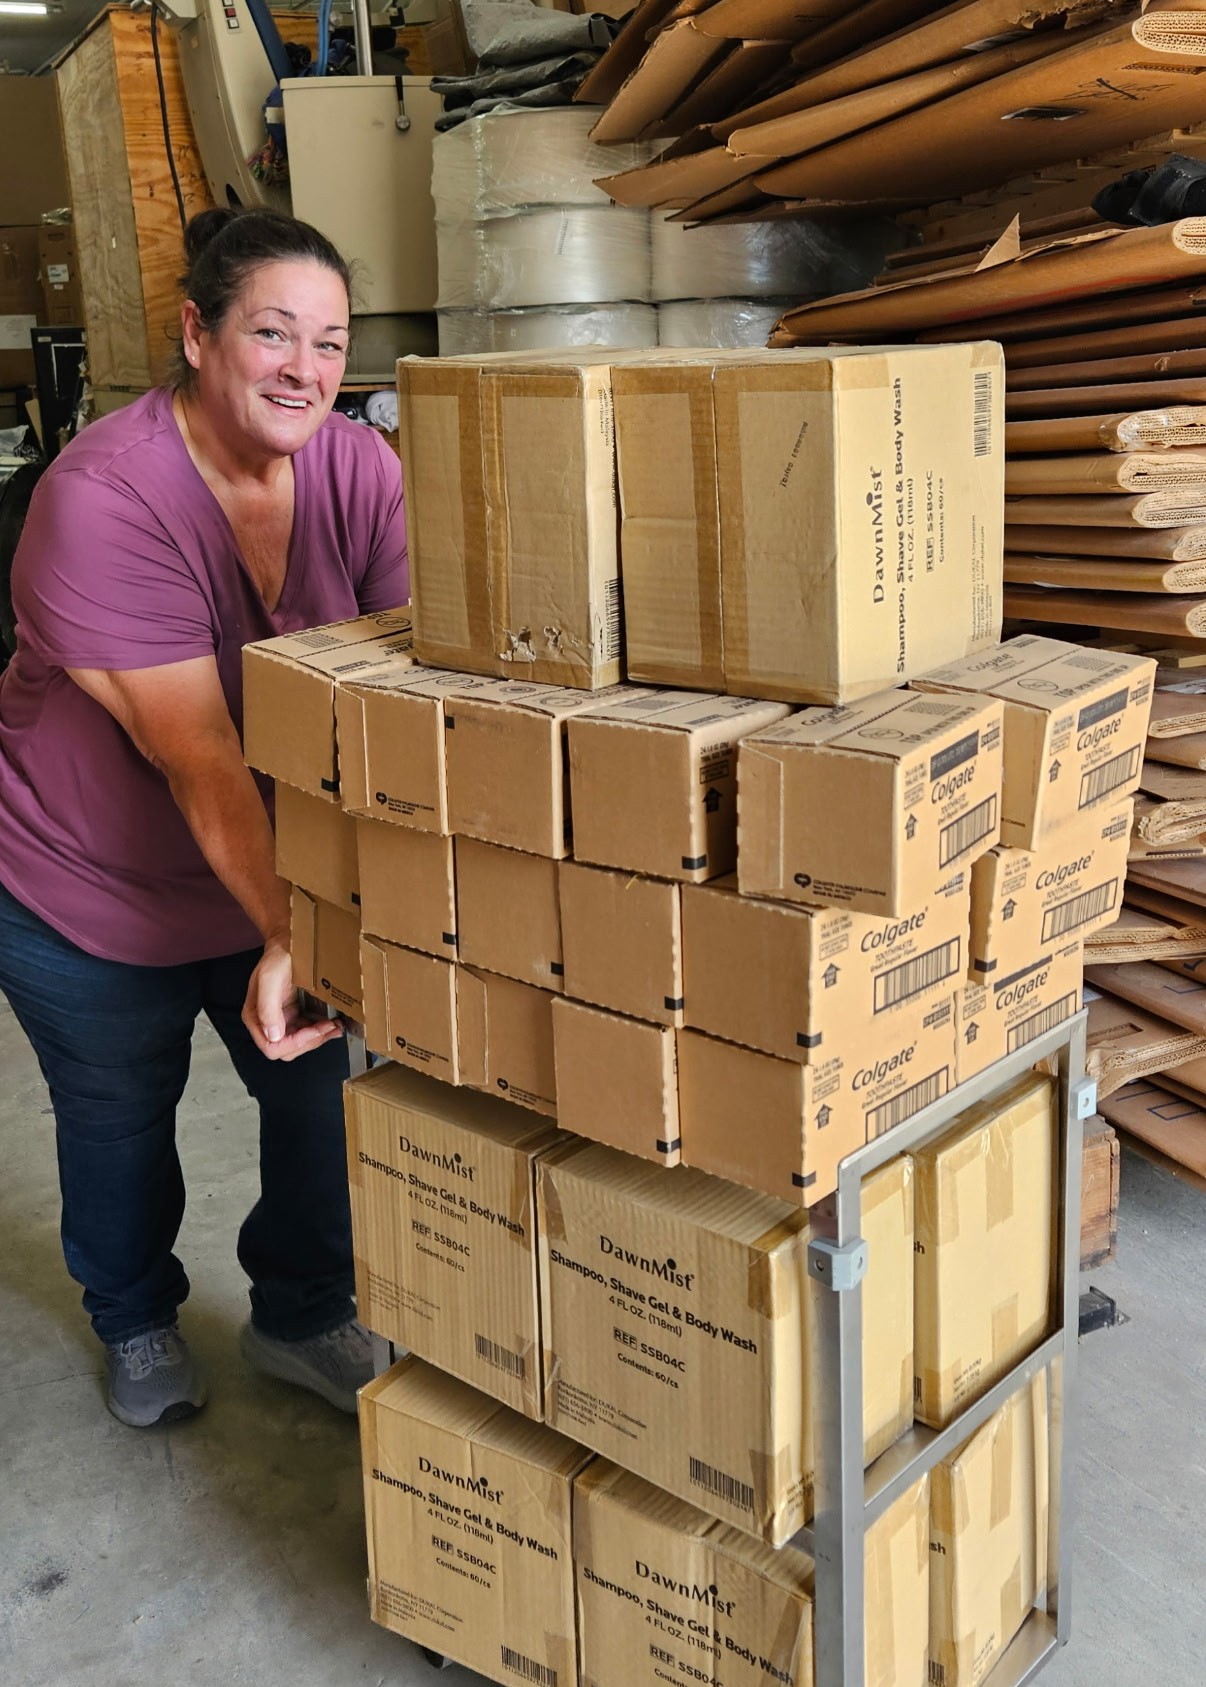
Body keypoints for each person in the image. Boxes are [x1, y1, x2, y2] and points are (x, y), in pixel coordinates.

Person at [0, 208, 408, 1429]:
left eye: (330, 343)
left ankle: (301, 1312)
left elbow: (408, 684)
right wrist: (292, 927)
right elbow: (201, 759)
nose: (305, 369)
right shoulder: (103, 498)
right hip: (88, 887)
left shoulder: (357, 469)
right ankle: (134, 1315)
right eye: (273, 333)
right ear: (197, 333)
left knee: (322, 1100)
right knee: (119, 1121)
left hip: (275, 865)